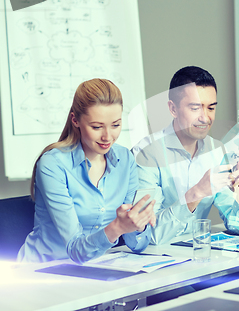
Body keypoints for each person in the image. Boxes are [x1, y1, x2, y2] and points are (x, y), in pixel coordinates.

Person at [18, 79, 156, 263]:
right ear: (75, 120)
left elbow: (137, 245)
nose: (108, 136)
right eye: (97, 127)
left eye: (115, 125)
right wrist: (117, 227)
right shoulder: (53, 164)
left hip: (96, 267)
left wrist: (138, 225)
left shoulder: (125, 160)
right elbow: (76, 250)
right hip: (44, 270)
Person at [134, 66, 239, 245]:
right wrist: (197, 193)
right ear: (173, 109)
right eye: (195, 108)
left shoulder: (217, 150)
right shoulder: (146, 153)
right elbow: (148, 235)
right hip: (154, 260)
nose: (205, 118)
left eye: (211, 108)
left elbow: (238, 226)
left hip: (198, 255)